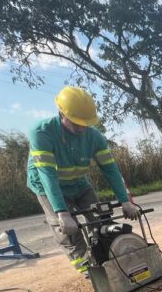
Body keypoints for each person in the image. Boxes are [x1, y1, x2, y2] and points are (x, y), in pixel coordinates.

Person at [26, 86, 140, 276]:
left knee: (102, 220)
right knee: (70, 232)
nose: (81, 127)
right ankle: (89, 271)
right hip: (48, 187)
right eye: (76, 122)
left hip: (79, 184)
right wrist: (62, 213)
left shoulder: (94, 137)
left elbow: (110, 169)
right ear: (61, 113)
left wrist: (125, 200)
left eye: (85, 123)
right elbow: (47, 175)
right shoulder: (41, 133)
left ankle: (112, 258)